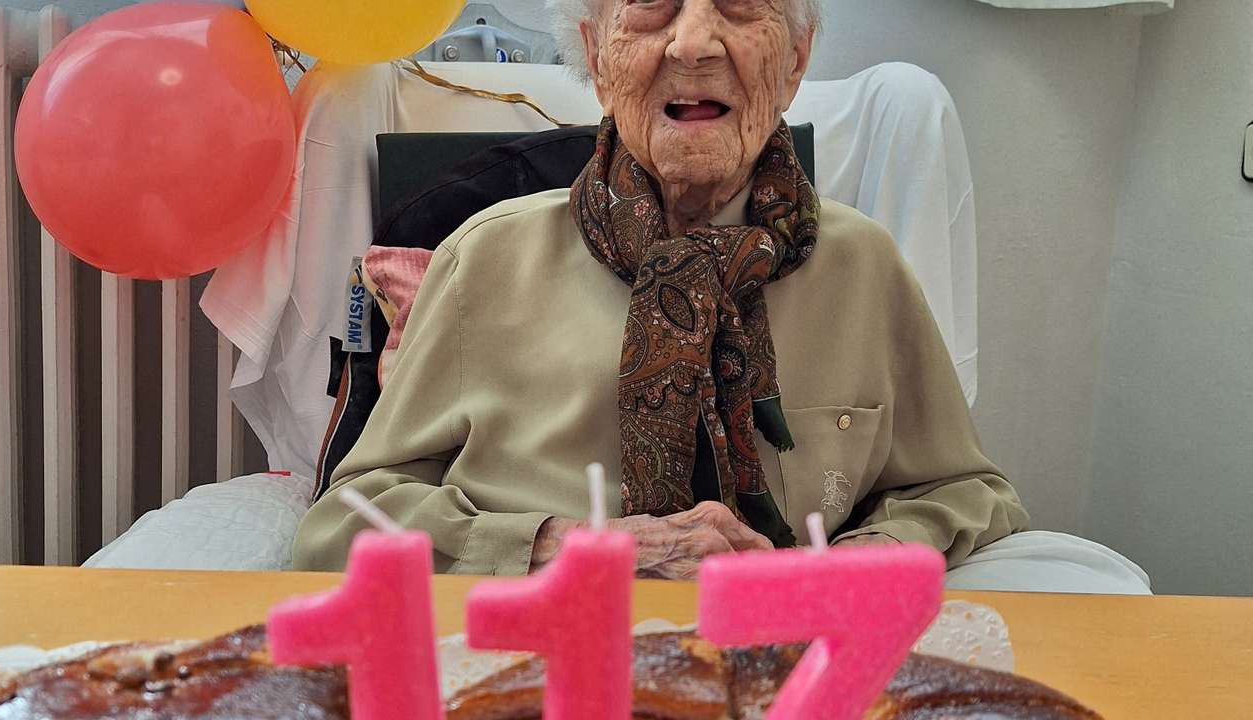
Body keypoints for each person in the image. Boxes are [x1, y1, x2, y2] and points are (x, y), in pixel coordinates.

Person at [292, 0, 1029, 579]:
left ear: (797, 57)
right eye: (651, 3)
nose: (694, 43)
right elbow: (347, 523)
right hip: (542, 653)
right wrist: (564, 549)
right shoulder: (484, 258)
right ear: (594, 55)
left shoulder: (865, 268)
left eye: (741, 3)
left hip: (791, 659)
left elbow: (965, 492)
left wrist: (856, 559)